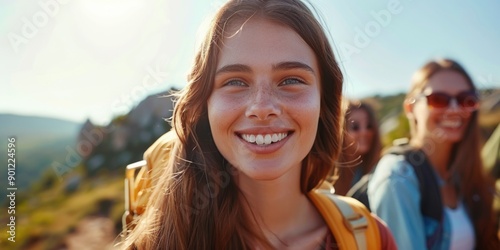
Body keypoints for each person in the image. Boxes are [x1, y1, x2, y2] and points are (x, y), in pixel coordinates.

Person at [119, 0, 397, 249]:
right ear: (204, 105)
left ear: (324, 101)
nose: (262, 108)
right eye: (235, 82)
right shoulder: (153, 242)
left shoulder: (370, 238)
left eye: (291, 80)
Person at [367, 58, 499, 250]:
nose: (454, 109)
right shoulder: (398, 178)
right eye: (438, 99)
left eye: (465, 99)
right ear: (410, 108)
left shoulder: (463, 175)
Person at [333, 99, 382, 196]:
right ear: (341, 131)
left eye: (369, 126)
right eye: (355, 127)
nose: (364, 132)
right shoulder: (325, 172)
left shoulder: (380, 168)